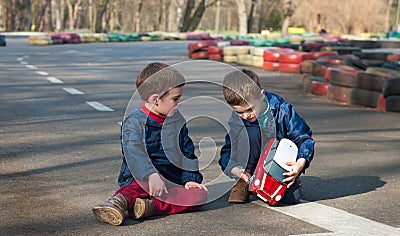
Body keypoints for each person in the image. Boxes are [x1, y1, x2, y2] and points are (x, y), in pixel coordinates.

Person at [92, 62, 208, 225]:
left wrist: (190, 179)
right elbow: (134, 153)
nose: (179, 102)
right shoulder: (135, 122)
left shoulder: (177, 119)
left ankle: (150, 207)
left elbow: (187, 151)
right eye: (175, 98)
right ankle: (119, 202)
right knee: (139, 185)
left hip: (171, 179)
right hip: (142, 177)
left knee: (199, 196)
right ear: (155, 99)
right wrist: (151, 175)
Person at [218, 69, 314, 204]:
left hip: (277, 161)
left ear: (261, 96)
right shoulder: (238, 119)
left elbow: (304, 138)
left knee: (291, 198)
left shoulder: (282, 110)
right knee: (250, 132)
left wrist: (299, 164)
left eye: (250, 109)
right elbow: (228, 149)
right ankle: (244, 181)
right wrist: (236, 170)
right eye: (240, 112)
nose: (246, 115)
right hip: (249, 164)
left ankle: (278, 178)